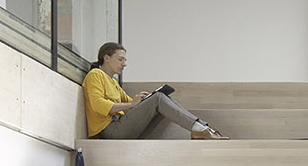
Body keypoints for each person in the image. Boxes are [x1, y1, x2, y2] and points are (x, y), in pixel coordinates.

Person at [83, 43, 226, 140]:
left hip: (120, 127)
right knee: (158, 98)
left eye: (125, 60)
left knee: (161, 97)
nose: (124, 64)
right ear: (106, 58)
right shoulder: (95, 75)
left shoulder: (112, 82)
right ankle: (200, 129)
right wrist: (133, 104)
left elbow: (129, 103)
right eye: (120, 59)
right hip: (110, 131)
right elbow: (98, 105)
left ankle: (202, 128)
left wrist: (142, 100)